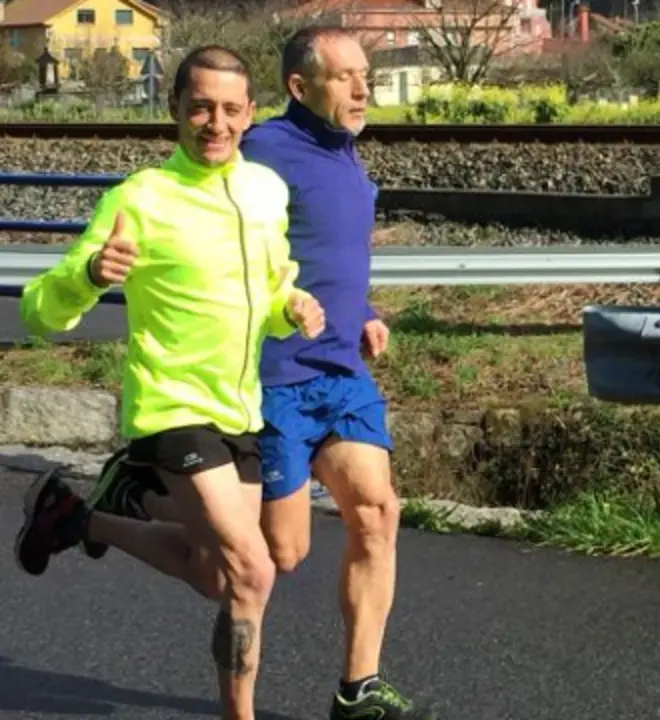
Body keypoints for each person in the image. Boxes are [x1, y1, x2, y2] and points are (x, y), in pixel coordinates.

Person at [73, 25, 434, 720]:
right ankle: (126, 504)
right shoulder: (262, 148)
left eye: (367, 74)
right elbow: (218, 211)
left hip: (338, 370)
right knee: (272, 558)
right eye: (346, 76)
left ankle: (358, 689)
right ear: (300, 87)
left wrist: (362, 308)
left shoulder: (347, 155)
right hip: (273, 380)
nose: (364, 88)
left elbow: (322, 251)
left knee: (377, 512)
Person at [13, 45, 325, 720]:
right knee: (255, 571)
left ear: (250, 115)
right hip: (171, 408)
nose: (215, 123)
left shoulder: (264, 192)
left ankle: (82, 516)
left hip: (237, 409)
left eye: (230, 109)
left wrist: (290, 307)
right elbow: (40, 309)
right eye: (201, 107)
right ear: (175, 110)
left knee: (218, 575)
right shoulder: (140, 198)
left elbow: (271, 289)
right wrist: (91, 274)